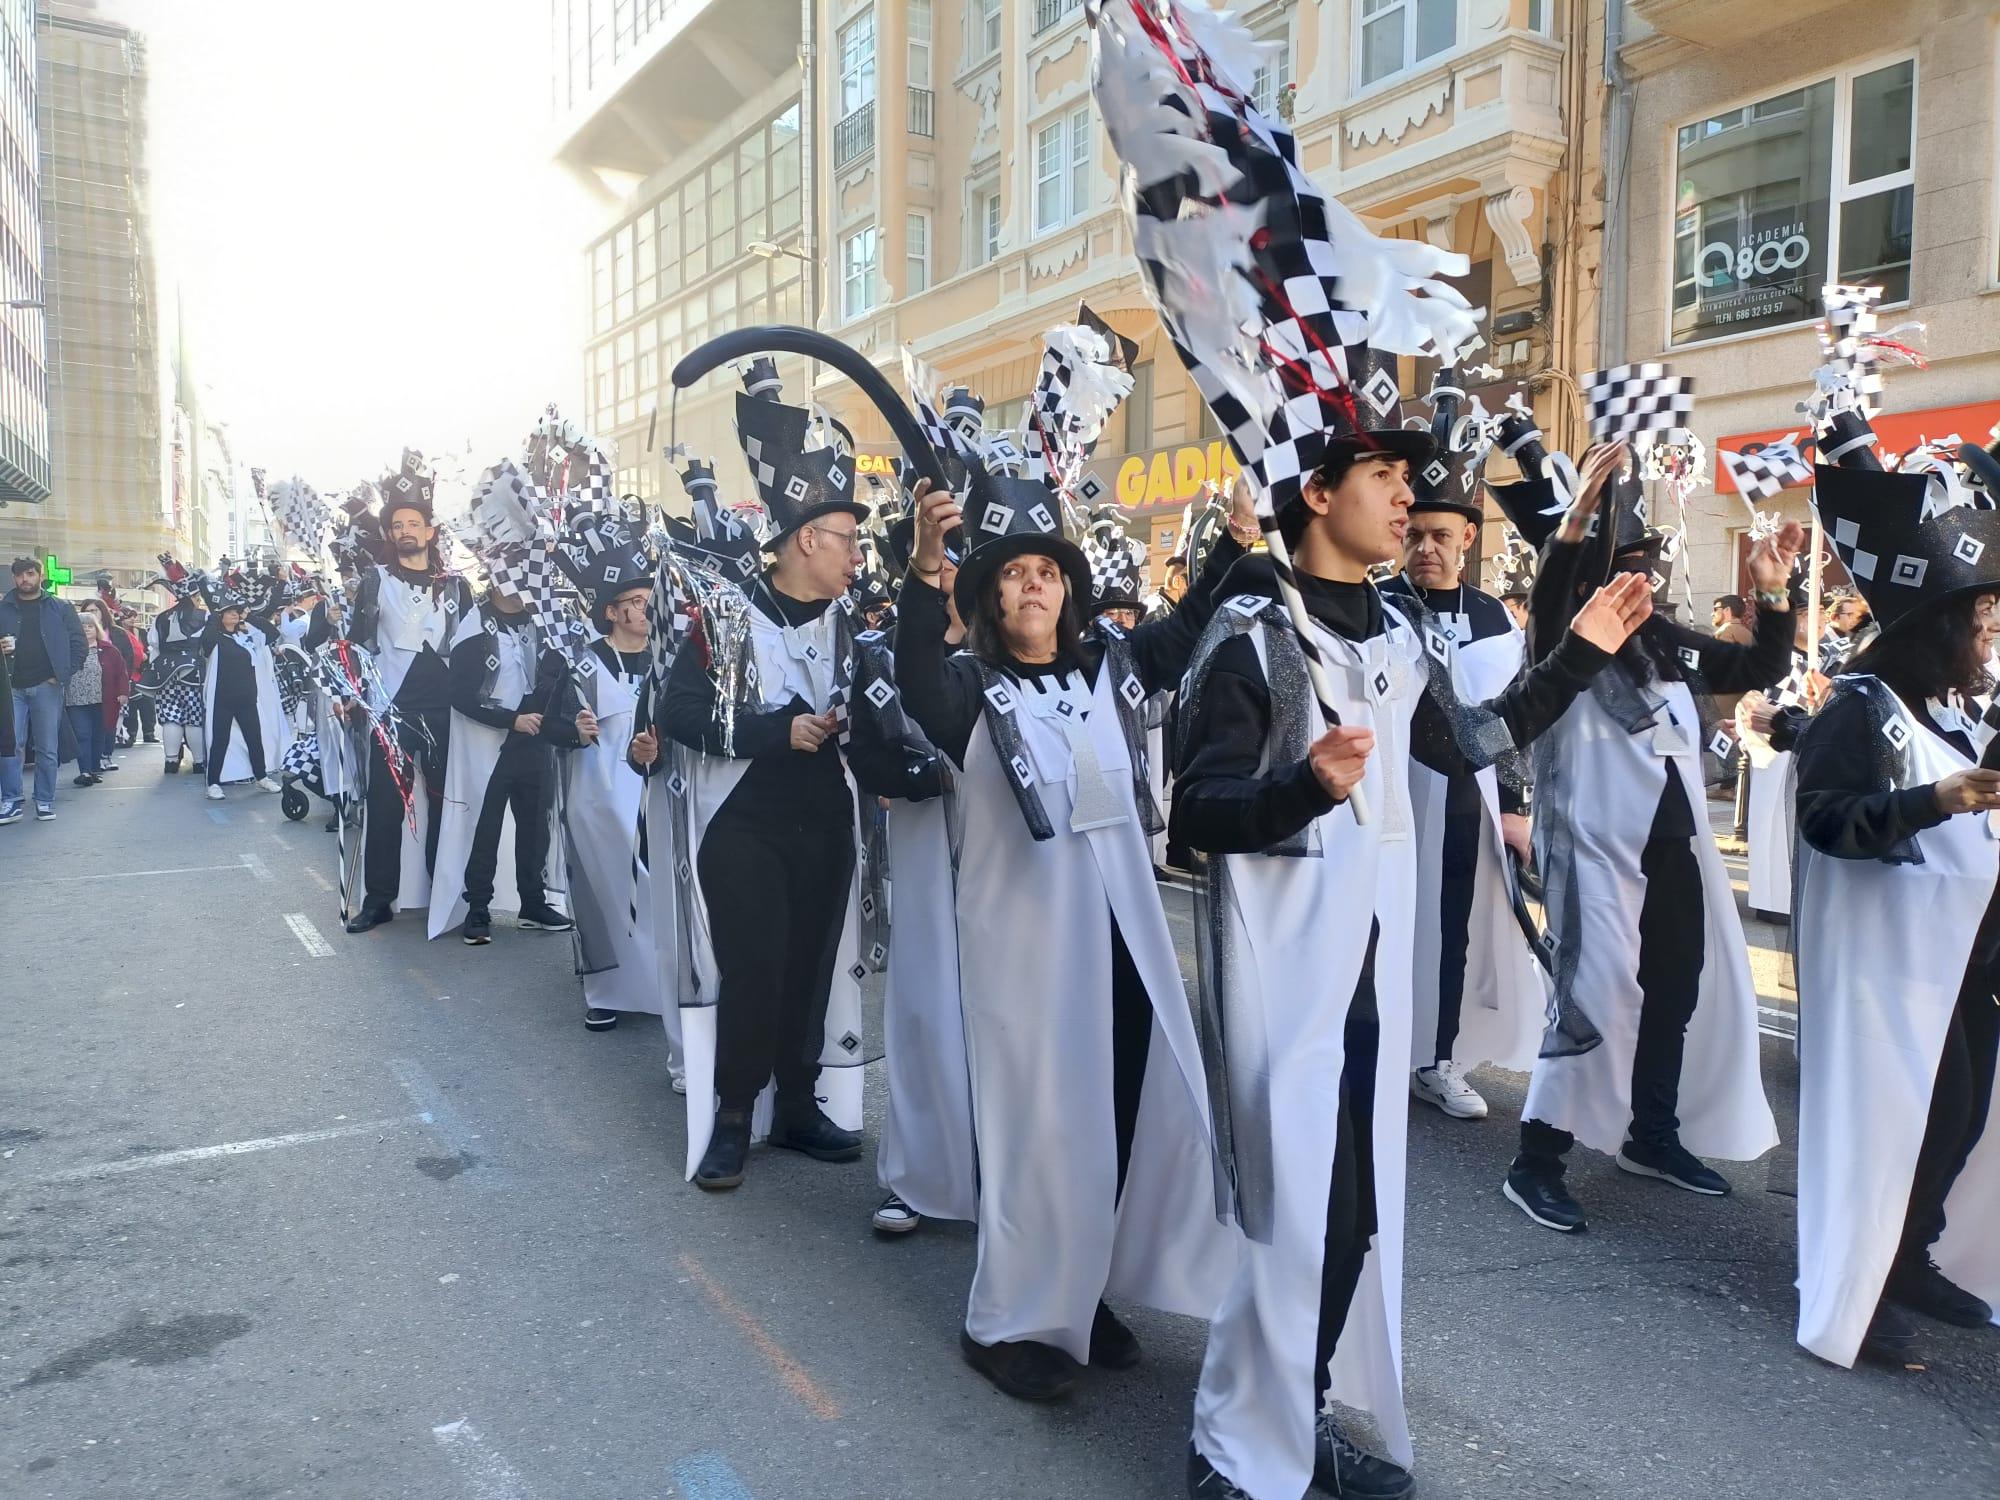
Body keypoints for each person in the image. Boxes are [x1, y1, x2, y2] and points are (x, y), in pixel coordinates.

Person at [1169, 376, 1648, 1500]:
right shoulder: (1251, 633)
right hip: (1280, 984)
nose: (1402, 497)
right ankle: (1231, 1446)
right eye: (1381, 477)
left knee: (1350, 1223)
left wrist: (1573, 653)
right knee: (1296, 1220)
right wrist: (1301, 788)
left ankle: (1300, 1411)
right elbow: (1195, 812)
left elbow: (1461, 742)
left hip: (1366, 986)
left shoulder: (1392, 629)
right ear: (1317, 491)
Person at [896, 465, 1242, 1406]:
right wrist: (924, 571)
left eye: (1047, 569)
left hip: (1122, 938)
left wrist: (1237, 543)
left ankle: (1083, 1294)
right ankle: (1007, 1319)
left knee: (1119, 1118)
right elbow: (917, 690)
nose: (1033, 584)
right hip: (1024, 951)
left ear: (1070, 587)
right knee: (1037, 1130)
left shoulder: (1111, 670)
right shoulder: (967, 685)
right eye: (1011, 573)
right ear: (987, 593)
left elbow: (1181, 630)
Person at [1504, 452, 1797, 1234]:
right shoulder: (1568, 640)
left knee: (1675, 987)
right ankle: (1536, 1160)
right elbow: (1551, 594)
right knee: (1592, 997)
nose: (1641, 582)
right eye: (1623, 569)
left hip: (1674, 849)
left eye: (1647, 569)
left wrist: (1774, 588)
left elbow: (1760, 662)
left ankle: (1651, 1135)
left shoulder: (1666, 641)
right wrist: (1575, 523)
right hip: (1593, 848)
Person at [1792, 432, 2000, 1369]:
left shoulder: (1957, 712)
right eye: (1980, 619)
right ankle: (1860, 1286)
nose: (1989, 635)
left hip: (1959, 963)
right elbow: (1828, 822)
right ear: (1937, 627)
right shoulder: (1861, 706)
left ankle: (1908, 1256)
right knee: (1904, 1125)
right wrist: (1936, 799)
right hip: (1887, 976)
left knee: (1959, 1113)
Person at [658, 359, 881, 1190]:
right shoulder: (724, 614)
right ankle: (730, 1117)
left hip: (825, 815)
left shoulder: (859, 624)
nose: (859, 550)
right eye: (849, 537)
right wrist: (771, 729)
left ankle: (795, 1104)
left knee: (814, 963)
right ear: (807, 539)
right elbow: (678, 714)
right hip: (742, 820)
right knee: (754, 965)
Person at [1378, 366, 1548, 1122]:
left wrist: (1514, 810)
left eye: (1442, 536)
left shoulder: (1492, 621)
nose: (1426, 549)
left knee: (1451, 930)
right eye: (1415, 534)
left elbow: (1511, 718)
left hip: (1464, 804)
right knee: (1383, 924)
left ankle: (1436, 1057)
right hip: (1388, 798)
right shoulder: (1374, 608)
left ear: (1469, 537)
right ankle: (1380, 1048)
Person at [341, 455, 473, 933]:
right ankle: (379, 899)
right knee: (385, 805)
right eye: (397, 525)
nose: (405, 531)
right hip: (390, 709)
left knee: (443, 803)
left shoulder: (457, 587)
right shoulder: (375, 582)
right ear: (390, 533)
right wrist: (354, 694)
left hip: (444, 710)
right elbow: (356, 644)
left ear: (430, 530)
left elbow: (472, 648)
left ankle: (444, 896)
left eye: (413, 523)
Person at [544, 510, 663, 1032]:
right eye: (635, 603)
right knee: (606, 890)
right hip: (598, 798)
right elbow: (547, 723)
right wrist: (575, 726)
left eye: (648, 600)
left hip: (655, 794)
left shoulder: (671, 658)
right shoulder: (583, 663)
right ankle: (606, 990)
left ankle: (663, 985)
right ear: (612, 612)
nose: (645, 609)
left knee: (659, 892)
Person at [428, 560, 571, 945]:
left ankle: (533, 902)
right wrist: (511, 720)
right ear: (494, 580)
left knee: (534, 826)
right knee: (484, 826)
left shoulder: (544, 625)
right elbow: (460, 695)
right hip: (489, 744)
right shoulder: (473, 629)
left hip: (534, 743)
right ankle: (478, 906)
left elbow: (558, 681)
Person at [0, 555, 86, 823]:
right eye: (19, 575)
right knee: (10, 745)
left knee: (47, 747)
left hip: (46, 685)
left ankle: (45, 800)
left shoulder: (59, 607)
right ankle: (11, 800)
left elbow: (78, 644)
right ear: (14, 578)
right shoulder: (4, 608)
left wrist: (61, 674)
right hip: (11, 686)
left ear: (39, 575)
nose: (24, 579)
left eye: (29, 574)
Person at [198, 587, 286, 800]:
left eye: (237, 611)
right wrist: (213, 605)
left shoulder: (245, 637)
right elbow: (207, 637)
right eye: (230, 612)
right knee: (220, 740)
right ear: (220, 616)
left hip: (247, 699)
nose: (235, 614)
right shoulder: (214, 639)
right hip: (223, 700)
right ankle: (213, 783)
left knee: (255, 739)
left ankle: (261, 776)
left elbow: (272, 634)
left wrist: (250, 616)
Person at [149, 561, 210, 775]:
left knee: (170, 717)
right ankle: (200, 762)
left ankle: (171, 761)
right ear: (193, 596)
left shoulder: (160, 618)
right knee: (193, 718)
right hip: (193, 673)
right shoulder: (205, 617)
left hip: (165, 674)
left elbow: (154, 647)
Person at [64, 615, 129, 786]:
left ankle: (93, 769)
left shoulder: (109, 649)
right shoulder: (68, 649)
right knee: (82, 734)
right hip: (76, 700)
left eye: (89, 626)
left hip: (103, 700)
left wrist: (123, 693)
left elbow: (121, 672)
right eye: (82, 626)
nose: (86, 629)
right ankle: (84, 772)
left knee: (99, 735)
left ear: (96, 629)